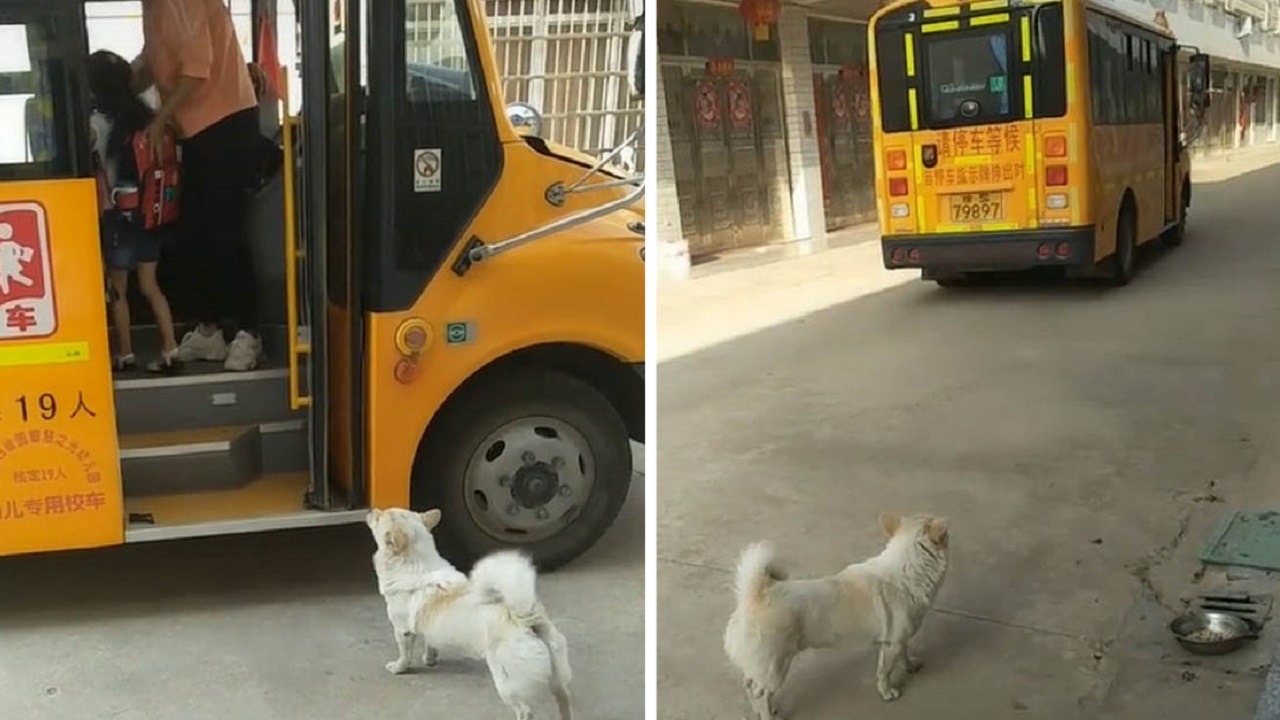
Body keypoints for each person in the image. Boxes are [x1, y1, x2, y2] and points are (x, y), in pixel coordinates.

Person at [133, 0, 263, 371]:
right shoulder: (153, 6)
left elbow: (196, 69)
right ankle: (209, 332)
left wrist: (160, 120)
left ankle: (249, 333)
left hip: (225, 121)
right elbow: (155, 57)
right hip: (196, 128)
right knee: (193, 232)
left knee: (226, 231)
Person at [88, 50, 180, 374]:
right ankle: (170, 347)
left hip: (118, 216)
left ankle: (125, 354)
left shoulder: (97, 123)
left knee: (119, 291)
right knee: (150, 285)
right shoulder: (148, 116)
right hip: (151, 214)